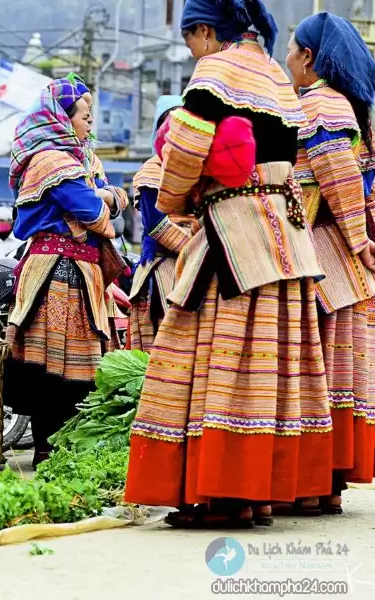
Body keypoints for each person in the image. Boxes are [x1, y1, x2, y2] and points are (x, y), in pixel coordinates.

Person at [124, 0, 332, 528]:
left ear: (204, 31)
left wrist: (173, 198)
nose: (191, 50)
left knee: (219, 356)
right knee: (270, 363)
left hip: (233, 234)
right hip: (285, 232)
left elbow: (188, 148)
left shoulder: (215, 71)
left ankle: (225, 495)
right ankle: (260, 493)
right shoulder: (276, 76)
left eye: (190, 39)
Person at [3, 77, 126, 466]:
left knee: (81, 366)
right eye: (85, 116)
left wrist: (101, 198)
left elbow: (103, 205)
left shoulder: (83, 159)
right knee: (51, 365)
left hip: (84, 272)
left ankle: (66, 447)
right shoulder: (50, 160)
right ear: (62, 117)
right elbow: (94, 213)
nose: (91, 124)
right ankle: (47, 447)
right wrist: (106, 198)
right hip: (57, 273)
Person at [286, 12, 375, 514]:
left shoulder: (319, 105)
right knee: (336, 368)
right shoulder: (355, 110)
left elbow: (339, 180)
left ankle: (311, 482)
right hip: (344, 255)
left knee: (313, 367)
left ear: (310, 58)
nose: (287, 59)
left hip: (319, 248)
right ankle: (326, 485)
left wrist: (360, 239)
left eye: (293, 50)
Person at [128, 96, 195, 352]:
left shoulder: (196, 170)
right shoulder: (152, 171)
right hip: (164, 265)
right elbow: (156, 225)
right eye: (171, 124)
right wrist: (198, 248)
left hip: (194, 263)